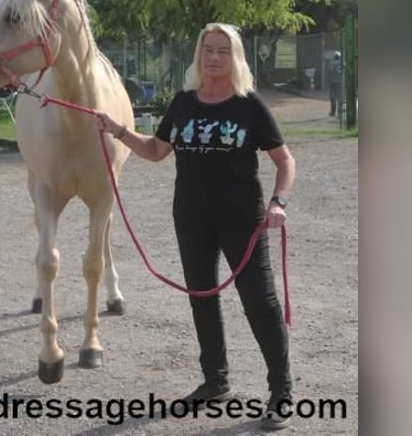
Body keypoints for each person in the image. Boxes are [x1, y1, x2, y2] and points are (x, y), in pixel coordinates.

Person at [95, 23, 296, 430]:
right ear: (199, 55)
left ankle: (281, 392)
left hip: (244, 221)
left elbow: (284, 160)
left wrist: (278, 202)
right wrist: (117, 130)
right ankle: (215, 381)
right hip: (191, 217)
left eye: (224, 50)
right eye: (209, 50)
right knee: (202, 298)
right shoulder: (183, 102)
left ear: (234, 56)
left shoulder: (249, 105)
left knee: (260, 301)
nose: (215, 57)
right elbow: (156, 150)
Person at [327, 51, 343, 117]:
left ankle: (333, 113)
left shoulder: (330, 63)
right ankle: (339, 114)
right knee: (340, 98)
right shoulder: (342, 63)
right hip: (340, 82)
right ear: (339, 57)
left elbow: (329, 71)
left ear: (334, 57)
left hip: (332, 82)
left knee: (333, 98)